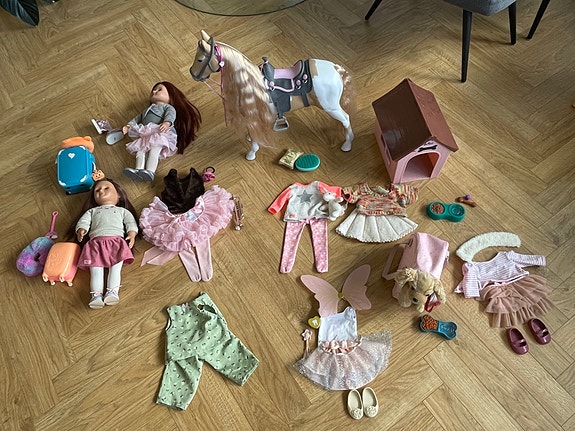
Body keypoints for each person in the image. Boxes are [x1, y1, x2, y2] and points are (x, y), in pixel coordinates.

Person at [92, 81, 201, 182]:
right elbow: (137, 119)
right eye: (153, 90)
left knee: (154, 152)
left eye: (159, 89)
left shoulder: (168, 107)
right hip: (144, 134)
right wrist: (129, 126)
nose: (154, 91)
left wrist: (167, 123)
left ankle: (150, 171)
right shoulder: (146, 110)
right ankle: (138, 169)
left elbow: (171, 115)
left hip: (158, 133)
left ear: (171, 95)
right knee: (140, 152)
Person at [71, 178, 139, 309]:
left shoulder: (122, 211)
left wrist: (132, 234)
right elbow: (84, 221)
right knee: (96, 271)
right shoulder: (92, 211)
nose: (101, 191)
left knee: (115, 269)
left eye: (106, 188)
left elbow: (130, 222)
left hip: (117, 243)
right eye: (97, 190)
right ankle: (96, 295)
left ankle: (113, 292)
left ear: (118, 194)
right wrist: (81, 230)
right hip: (95, 244)